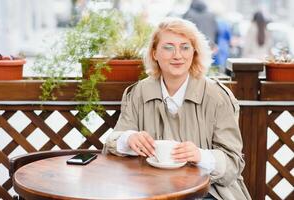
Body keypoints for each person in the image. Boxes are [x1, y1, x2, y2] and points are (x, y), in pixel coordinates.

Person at [104, 17, 251, 200]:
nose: (177, 55)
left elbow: (233, 163)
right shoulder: (139, 92)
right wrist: (128, 139)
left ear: (194, 53)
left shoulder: (217, 96)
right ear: (154, 53)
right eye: (168, 47)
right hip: (150, 190)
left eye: (185, 47)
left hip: (209, 192)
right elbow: (111, 144)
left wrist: (200, 155)